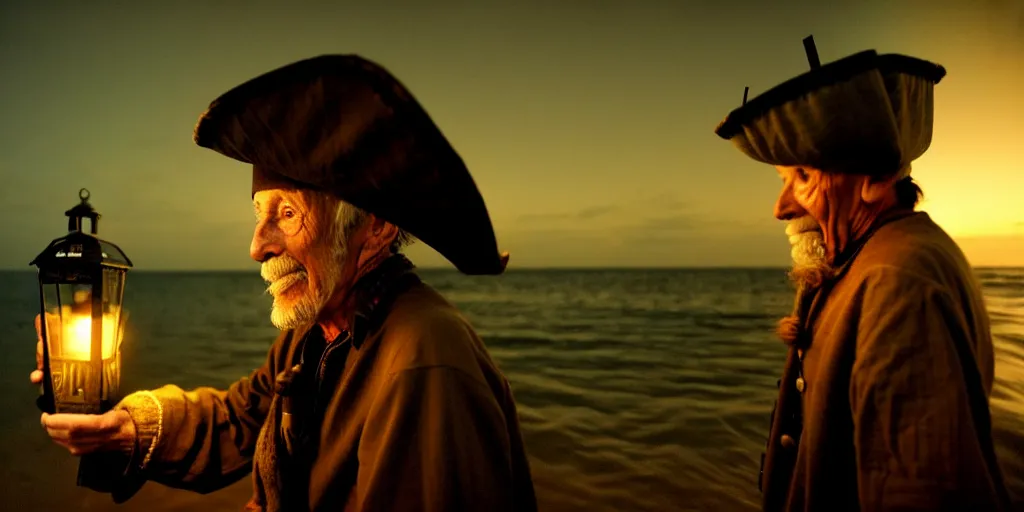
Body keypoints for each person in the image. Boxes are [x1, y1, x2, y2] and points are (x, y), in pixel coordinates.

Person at [32, 54, 538, 512]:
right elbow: (243, 418)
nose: (258, 246)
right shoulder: (316, 333)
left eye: (288, 213)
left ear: (376, 227)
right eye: (259, 214)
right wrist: (122, 429)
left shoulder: (425, 360)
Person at [714, 37, 1013, 511]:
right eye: (783, 181)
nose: (781, 207)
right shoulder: (867, 259)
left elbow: (917, 493)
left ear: (874, 180)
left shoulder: (900, 281)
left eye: (804, 178)